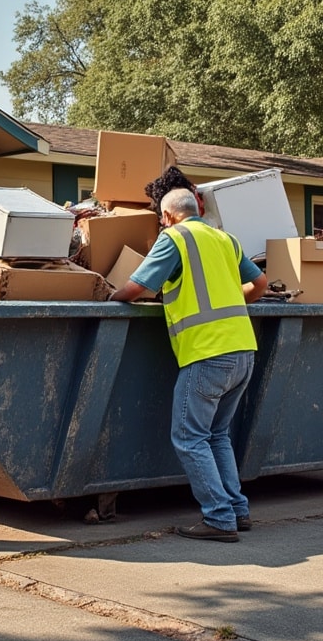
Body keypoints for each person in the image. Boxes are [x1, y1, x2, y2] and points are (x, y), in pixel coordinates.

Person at [110, 188, 268, 542]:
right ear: (196, 209)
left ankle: (219, 517)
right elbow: (259, 283)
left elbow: (136, 288)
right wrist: (232, 300)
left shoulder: (175, 238)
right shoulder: (225, 238)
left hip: (207, 353)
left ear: (167, 216)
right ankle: (238, 511)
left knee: (189, 436)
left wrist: (110, 297)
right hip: (243, 350)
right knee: (216, 435)